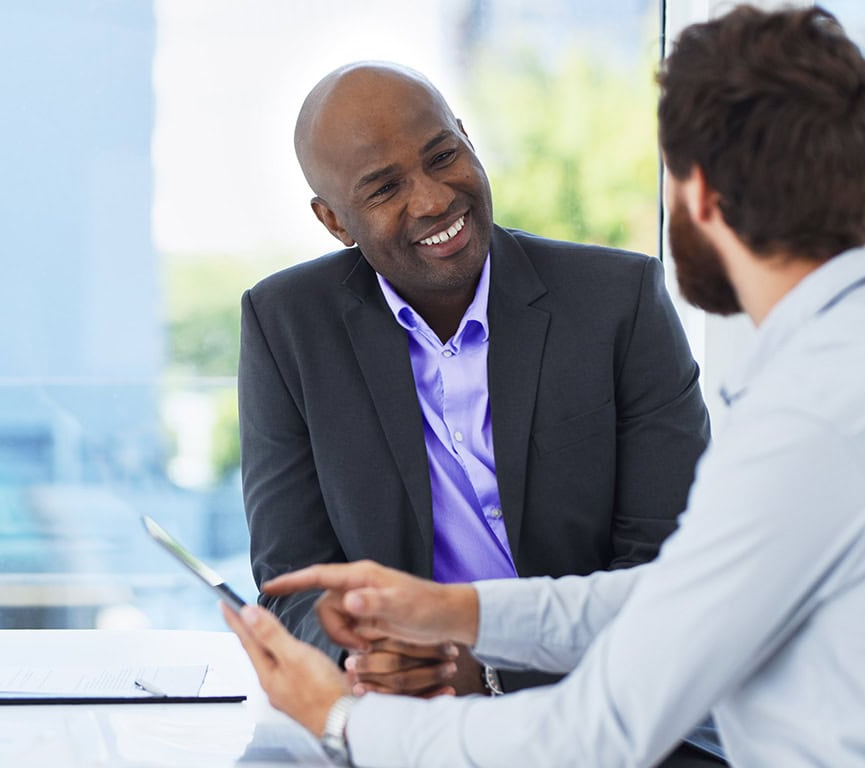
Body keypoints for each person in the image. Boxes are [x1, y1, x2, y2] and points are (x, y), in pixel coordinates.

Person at [225, 5, 865, 767]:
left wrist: (343, 721)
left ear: (698, 194)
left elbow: (603, 729)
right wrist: (453, 613)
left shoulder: (809, 414)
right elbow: (682, 597)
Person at [239, 52, 711, 713]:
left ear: (465, 135)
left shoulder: (619, 302)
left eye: (441, 155)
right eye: (383, 188)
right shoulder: (284, 324)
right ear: (334, 221)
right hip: (404, 721)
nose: (433, 199)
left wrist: (486, 673)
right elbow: (292, 582)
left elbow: (673, 569)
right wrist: (366, 658)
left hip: (606, 710)